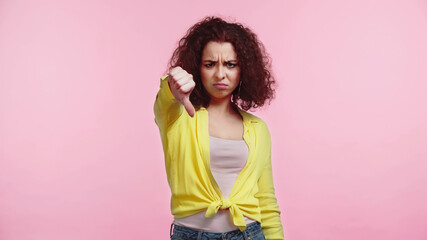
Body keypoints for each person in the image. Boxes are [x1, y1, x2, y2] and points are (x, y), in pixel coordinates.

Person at [154, 16, 284, 240]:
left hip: (249, 234)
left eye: (230, 64)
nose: (220, 74)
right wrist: (172, 86)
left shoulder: (257, 128)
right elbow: (164, 102)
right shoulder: (178, 117)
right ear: (197, 67)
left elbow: (267, 201)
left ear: (244, 70)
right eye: (210, 64)